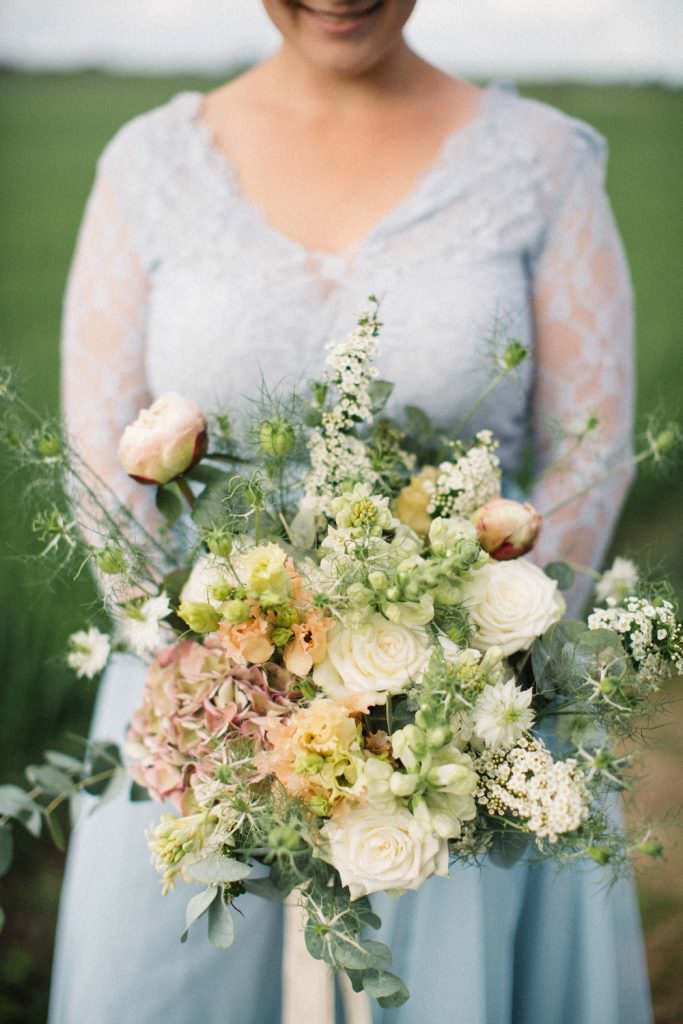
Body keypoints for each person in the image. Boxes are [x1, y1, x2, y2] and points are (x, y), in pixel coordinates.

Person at [50, 2, 653, 1022]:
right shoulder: (147, 165)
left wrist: (444, 677)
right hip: (196, 723)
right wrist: (226, 695)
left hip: (470, 740)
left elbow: (587, 454)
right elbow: (98, 467)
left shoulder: (544, 162)